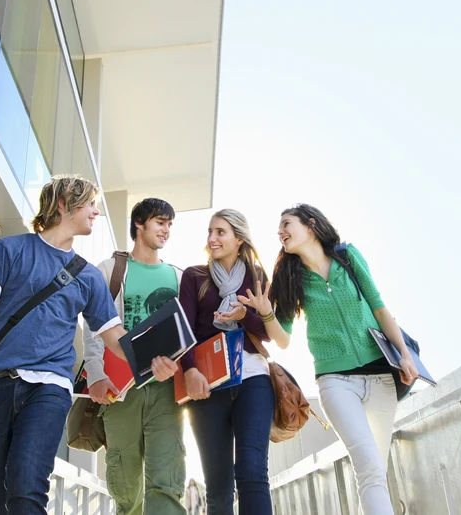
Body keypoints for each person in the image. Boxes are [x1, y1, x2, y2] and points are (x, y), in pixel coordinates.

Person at [0, 175, 177, 514]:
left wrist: (152, 360)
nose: (96, 212)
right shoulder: (10, 250)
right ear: (65, 205)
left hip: (49, 389)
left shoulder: (89, 276)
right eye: (91, 204)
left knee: (27, 488)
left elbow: (114, 337)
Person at [269, 204, 417, 515]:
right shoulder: (289, 277)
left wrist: (404, 354)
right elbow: (282, 338)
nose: (280, 231)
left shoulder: (347, 257)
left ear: (309, 226)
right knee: (368, 466)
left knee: (376, 467)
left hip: (380, 376)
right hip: (335, 381)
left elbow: (378, 307)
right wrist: (263, 310)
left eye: (286, 223)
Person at [178, 209, 291, 515]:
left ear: (239, 238)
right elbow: (184, 330)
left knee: (253, 474)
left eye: (220, 232)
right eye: (210, 232)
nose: (212, 239)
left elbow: (269, 335)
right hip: (207, 385)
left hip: (254, 379)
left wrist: (246, 316)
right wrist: (189, 369)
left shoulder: (257, 276)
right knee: (218, 484)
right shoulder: (194, 276)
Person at [81, 198, 186, 515]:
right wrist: (96, 374)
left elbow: (186, 335)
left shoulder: (180, 277)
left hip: (167, 391)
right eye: (159, 222)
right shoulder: (110, 270)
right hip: (120, 389)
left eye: (169, 224)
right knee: (125, 485)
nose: (166, 230)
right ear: (139, 223)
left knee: (166, 480)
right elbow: (93, 326)